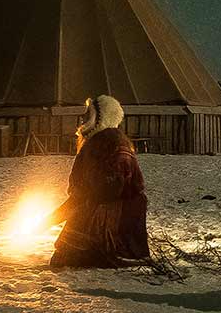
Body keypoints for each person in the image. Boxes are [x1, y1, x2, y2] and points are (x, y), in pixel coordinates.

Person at [47, 95, 150, 267]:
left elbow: (110, 188)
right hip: (95, 205)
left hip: (112, 213)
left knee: (68, 258)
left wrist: (80, 203)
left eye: (88, 114)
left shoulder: (113, 145)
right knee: (63, 257)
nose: (82, 119)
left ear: (102, 117)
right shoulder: (95, 144)